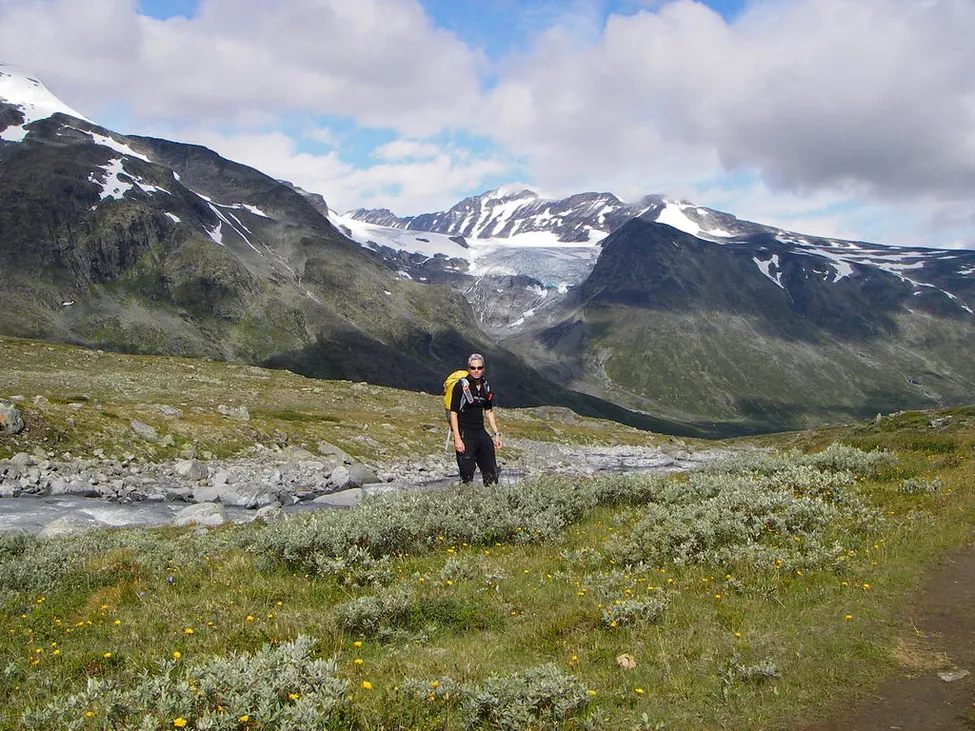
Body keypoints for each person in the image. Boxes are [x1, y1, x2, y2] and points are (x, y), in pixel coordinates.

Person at [448, 353, 502, 485]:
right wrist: (457, 438)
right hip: (465, 432)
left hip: (480, 431)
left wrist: (496, 434)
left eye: (479, 368)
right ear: (468, 369)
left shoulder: (486, 387)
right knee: (467, 475)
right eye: (473, 368)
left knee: (491, 473)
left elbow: (488, 411)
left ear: (483, 369)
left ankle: (491, 495)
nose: (476, 371)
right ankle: (466, 496)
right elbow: (453, 413)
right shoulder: (460, 386)